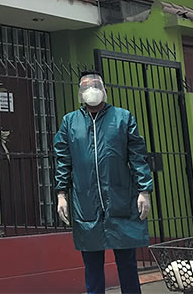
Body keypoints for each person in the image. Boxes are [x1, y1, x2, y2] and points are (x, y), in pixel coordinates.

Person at [54, 71, 153, 294]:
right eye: (86, 86)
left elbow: (137, 156)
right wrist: (61, 194)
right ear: (80, 92)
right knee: (92, 264)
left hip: (120, 199)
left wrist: (144, 191)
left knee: (127, 262)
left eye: (95, 84)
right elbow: (63, 160)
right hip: (86, 202)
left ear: (104, 89)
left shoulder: (122, 118)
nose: (92, 90)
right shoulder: (70, 122)